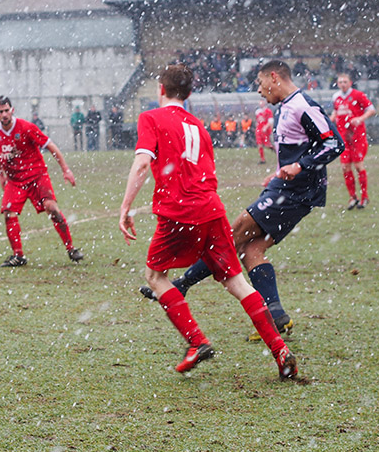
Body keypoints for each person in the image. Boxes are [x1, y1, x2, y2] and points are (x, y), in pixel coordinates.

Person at [139, 60, 345, 343]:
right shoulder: (287, 107)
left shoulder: (302, 105)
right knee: (251, 249)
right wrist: (279, 173)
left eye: (261, 84)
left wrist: (300, 167)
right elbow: (299, 149)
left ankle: (182, 284)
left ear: (274, 77)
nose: (260, 91)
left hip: (296, 192)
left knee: (231, 234)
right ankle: (276, 314)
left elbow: (334, 143)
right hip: (287, 189)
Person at [119, 63, 297, 378]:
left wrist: (125, 207)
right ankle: (279, 350)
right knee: (236, 282)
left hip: (179, 210)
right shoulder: (198, 125)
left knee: (156, 276)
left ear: (161, 89)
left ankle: (196, 341)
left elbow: (142, 164)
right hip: (211, 209)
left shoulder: (151, 118)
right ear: (188, 94)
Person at [0, 96, 84, 267]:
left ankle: (71, 248)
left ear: (12, 110)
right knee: (9, 213)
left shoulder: (26, 127)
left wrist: (66, 169)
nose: (4, 114)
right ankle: (18, 256)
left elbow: (50, 145)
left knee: (52, 208)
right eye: (0, 111)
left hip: (36, 176)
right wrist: (1, 174)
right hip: (15, 181)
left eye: (6, 110)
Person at [330, 72, 376, 210]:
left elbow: (371, 110)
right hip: (343, 136)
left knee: (358, 165)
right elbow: (336, 113)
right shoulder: (336, 97)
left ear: (350, 83)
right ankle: (352, 197)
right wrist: (329, 121)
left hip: (357, 135)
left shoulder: (358, 95)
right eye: (340, 82)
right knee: (345, 167)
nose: (343, 84)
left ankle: (364, 196)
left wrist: (360, 119)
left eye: (345, 82)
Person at [255, 99, 274, 164]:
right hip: (259, 130)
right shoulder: (257, 111)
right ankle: (262, 159)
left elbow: (270, 121)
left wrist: (266, 127)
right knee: (259, 144)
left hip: (265, 130)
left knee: (267, 145)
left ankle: (274, 149)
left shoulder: (268, 111)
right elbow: (258, 120)